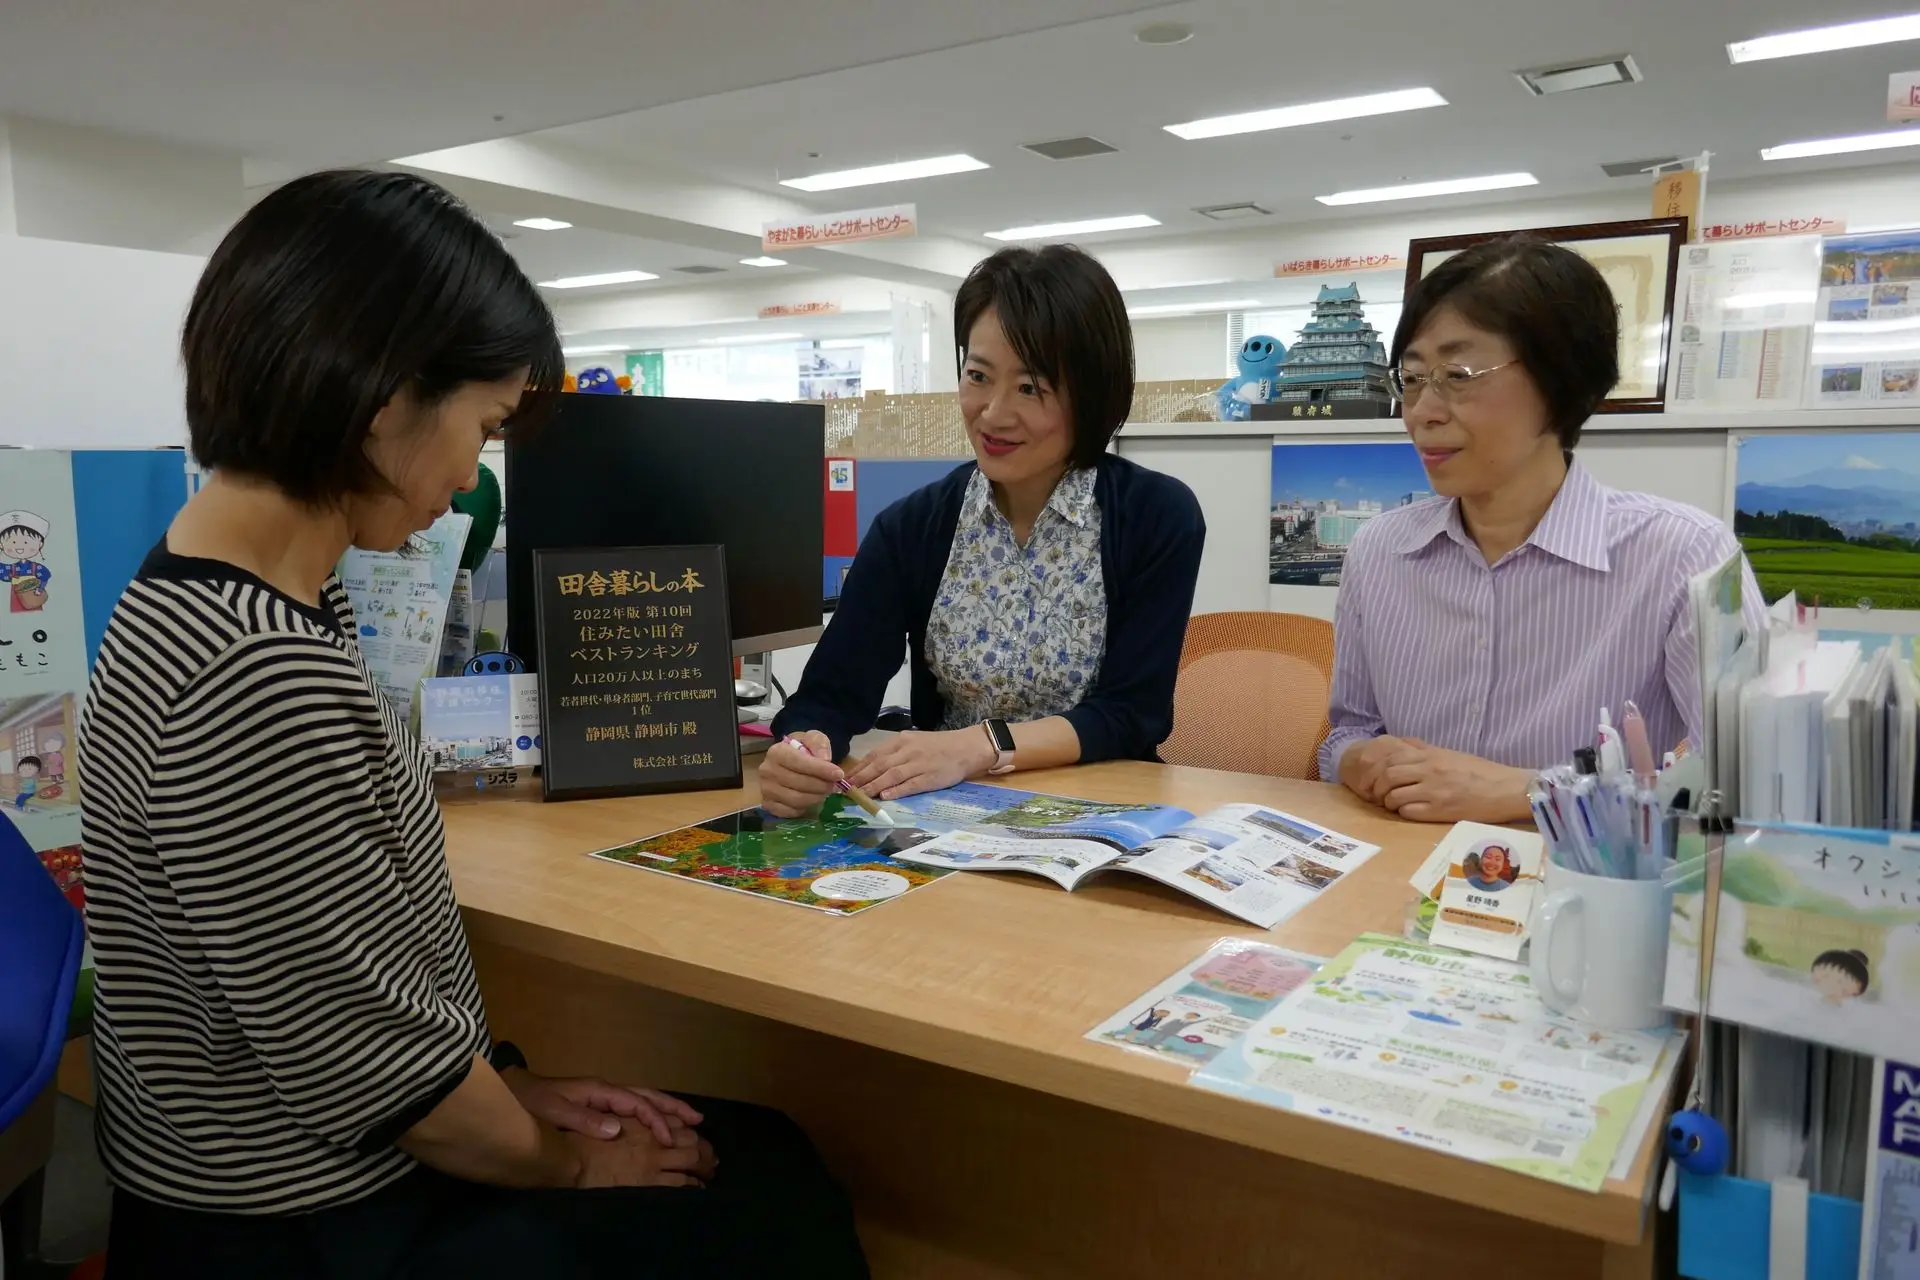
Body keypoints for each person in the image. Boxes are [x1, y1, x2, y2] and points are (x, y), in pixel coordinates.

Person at [77, 170, 865, 1280]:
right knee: (769, 1192)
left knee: (746, 1148)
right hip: (301, 1224)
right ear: (384, 395)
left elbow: (342, 1005)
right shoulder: (254, 670)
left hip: (330, 1150)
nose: (465, 481)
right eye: (483, 426)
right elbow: (371, 1070)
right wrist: (568, 1159)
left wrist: (513, 1090)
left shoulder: (222, 586)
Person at [1321, 235, 1765, 825]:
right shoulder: (1381, 551)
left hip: (1594, 891)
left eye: (1457, 373)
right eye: (1412, 378)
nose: (1422, 411)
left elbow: (1747, 776)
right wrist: (1354, 758)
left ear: (1559, 381)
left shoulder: (1684, 554)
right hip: (1402, 878)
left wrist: (1529, 790)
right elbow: (1349, 729)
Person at [763, 245, 1205, 815]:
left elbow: (1131, 714)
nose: (992, 413)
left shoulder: (1154, 515)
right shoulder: (911, 528)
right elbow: (831, 695)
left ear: (1091, 393)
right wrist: (802, 747)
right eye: (978, 376)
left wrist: (980, 745)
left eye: (1031, 387)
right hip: (945, 816)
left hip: (1104, 811)